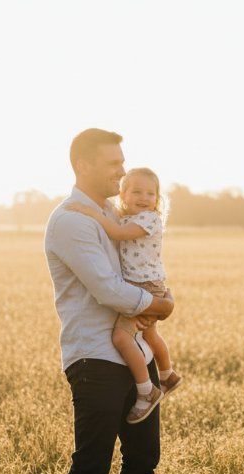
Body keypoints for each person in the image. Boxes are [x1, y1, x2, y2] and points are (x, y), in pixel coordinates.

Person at [44, 128, 176, 474]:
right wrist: (160, 304)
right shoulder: (70, 220)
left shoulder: (117, 214)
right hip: (94, 355)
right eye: (114, 164)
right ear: (83, 166)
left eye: (123, 162)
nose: (122, 170)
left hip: (132, 349)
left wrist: (153, 301)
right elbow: (107, 289)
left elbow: (143, 261)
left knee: (144, 457)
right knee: (93, 463)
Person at [66, 167, 183, 424]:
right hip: (146, 286)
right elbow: (118, 219)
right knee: (149, 333)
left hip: (145, 287)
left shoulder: (149, 219)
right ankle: (167, 375)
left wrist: (90, 212)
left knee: (121, 337)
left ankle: (147, 390)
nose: (144, 197)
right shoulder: (127, 215)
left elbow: (118, 233)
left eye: (150, 193)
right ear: (123, 194)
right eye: (137, 192)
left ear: (158, 199)